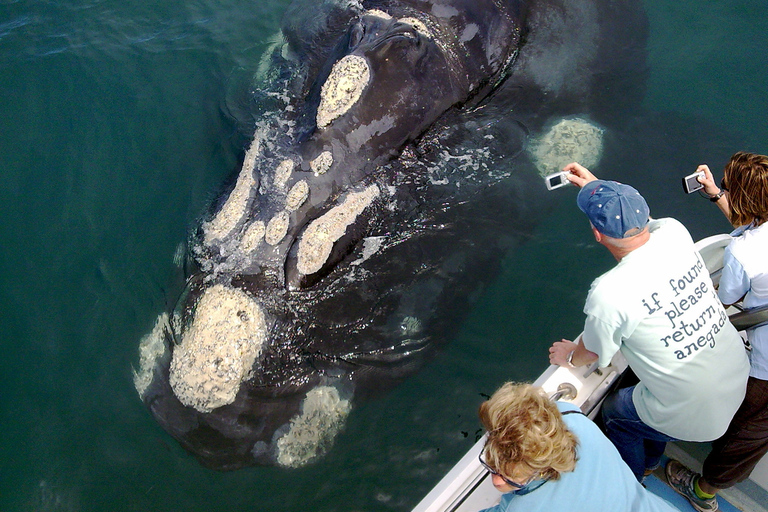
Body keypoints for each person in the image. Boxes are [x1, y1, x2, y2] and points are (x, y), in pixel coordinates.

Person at [547, 162, 750, 483]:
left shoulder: (609, 293)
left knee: (616, 412)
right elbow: (644, 223)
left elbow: (594, 353)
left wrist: (569, 356)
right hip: (737, 378)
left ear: (597, 234)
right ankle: (653, 458)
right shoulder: (674, 231)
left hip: (697, 412)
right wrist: (604, 191)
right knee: (653, 410)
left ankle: (633, 478)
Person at [666, 151, 768, 512]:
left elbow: (723, 301)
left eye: (728, 187)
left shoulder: (743, 252)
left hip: (766, 375)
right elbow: (755, 231)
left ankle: (703, 491)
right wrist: (715, 194)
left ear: (743, 198)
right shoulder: (753, 239)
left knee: (745, 436)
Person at [477, 382, 678, 512]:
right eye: (492, 467)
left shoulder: (522, 507)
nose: (496, 481)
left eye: (510, 477)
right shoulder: (570, 417)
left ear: (542, 470)